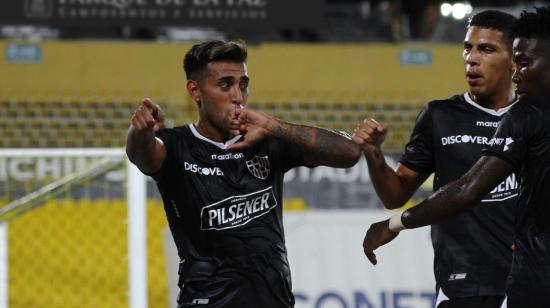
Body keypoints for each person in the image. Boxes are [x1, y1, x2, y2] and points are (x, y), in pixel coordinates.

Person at [126, 40, 361, 308]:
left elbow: (350, 152)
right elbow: (141, 154)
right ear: (195, 91)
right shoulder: (176, 145)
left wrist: (274, 126)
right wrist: (140, 131)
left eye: (243, 85)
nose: (238, 95)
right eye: (225, 85)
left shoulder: (266, 140)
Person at [362, 6, 550, 308]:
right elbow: (395, 193)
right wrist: (373, 154)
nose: (472, 59)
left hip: (527, 277)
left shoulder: (528, 116)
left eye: (486, 49)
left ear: (513, 58)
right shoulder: (440, 116)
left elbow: (466, 190)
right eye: (467, 48)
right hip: (465, 283)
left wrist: (394, 224)